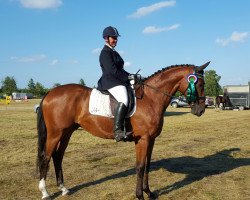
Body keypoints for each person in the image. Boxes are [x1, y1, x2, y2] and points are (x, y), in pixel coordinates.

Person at [97, 26, 132, 142]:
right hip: (110, 82)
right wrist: (127, 78)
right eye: (113, 38)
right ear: (106, 38)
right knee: (124, 99)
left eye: (116, 38)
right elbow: (113, 71)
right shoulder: (105, 53)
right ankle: (117, 131)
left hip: (117, 80)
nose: (116, 40)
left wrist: (132, 76)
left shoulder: (113, 52)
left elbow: (120, 70)